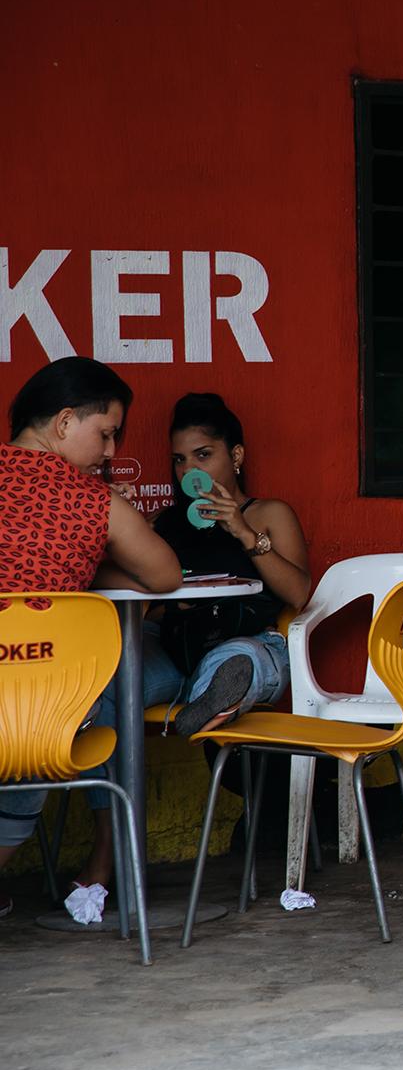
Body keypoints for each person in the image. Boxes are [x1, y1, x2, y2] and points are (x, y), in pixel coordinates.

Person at [0, 357, 181, 920]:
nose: (108, 453)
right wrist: (91, 562)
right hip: (32, 718)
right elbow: (165, 576)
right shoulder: (93, 502)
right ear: (62, 423)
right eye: (104, 434)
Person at [149, 392, 311, 737]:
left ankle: (212, 697)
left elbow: (297, 594)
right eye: (179, 460)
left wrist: (243, 531)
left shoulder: (269, 514)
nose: (189, 471)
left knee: (243, 658)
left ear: (236, 455)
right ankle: (204, 701)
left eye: (203, 455)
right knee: (119, 671)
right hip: (175, 648)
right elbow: (147, 604)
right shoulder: (165, 522)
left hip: (243, 640)